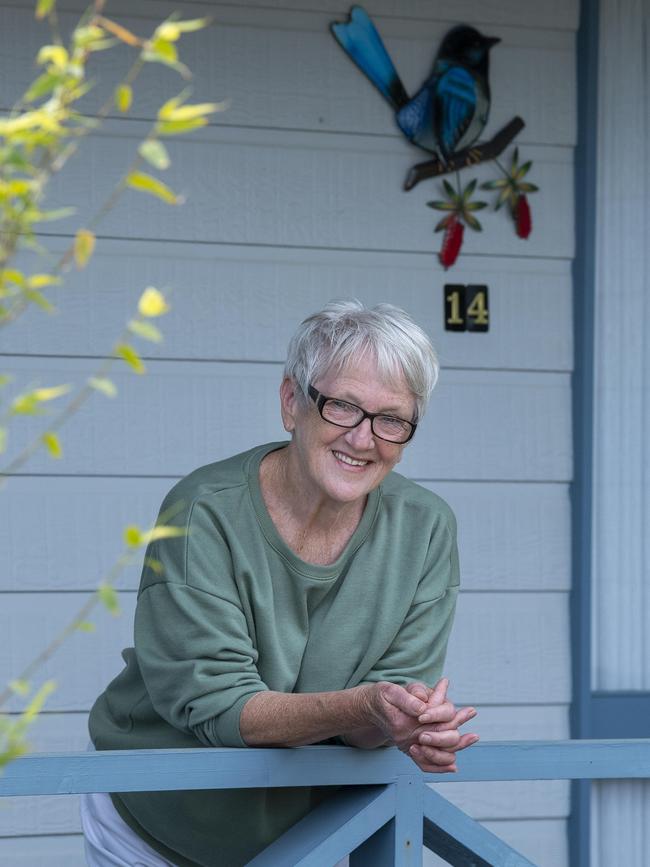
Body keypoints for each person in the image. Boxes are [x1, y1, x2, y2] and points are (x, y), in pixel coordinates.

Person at [81, 300, 479, 866]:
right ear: (293, 402)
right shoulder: (205, 510)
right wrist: (366, 706)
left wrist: (400, 719)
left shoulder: (426, 527)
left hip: (307, 841)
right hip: (158, 822)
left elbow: (374, 720)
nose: (364, 440)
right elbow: (218, 706)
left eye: (391, 419)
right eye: (343, 406)